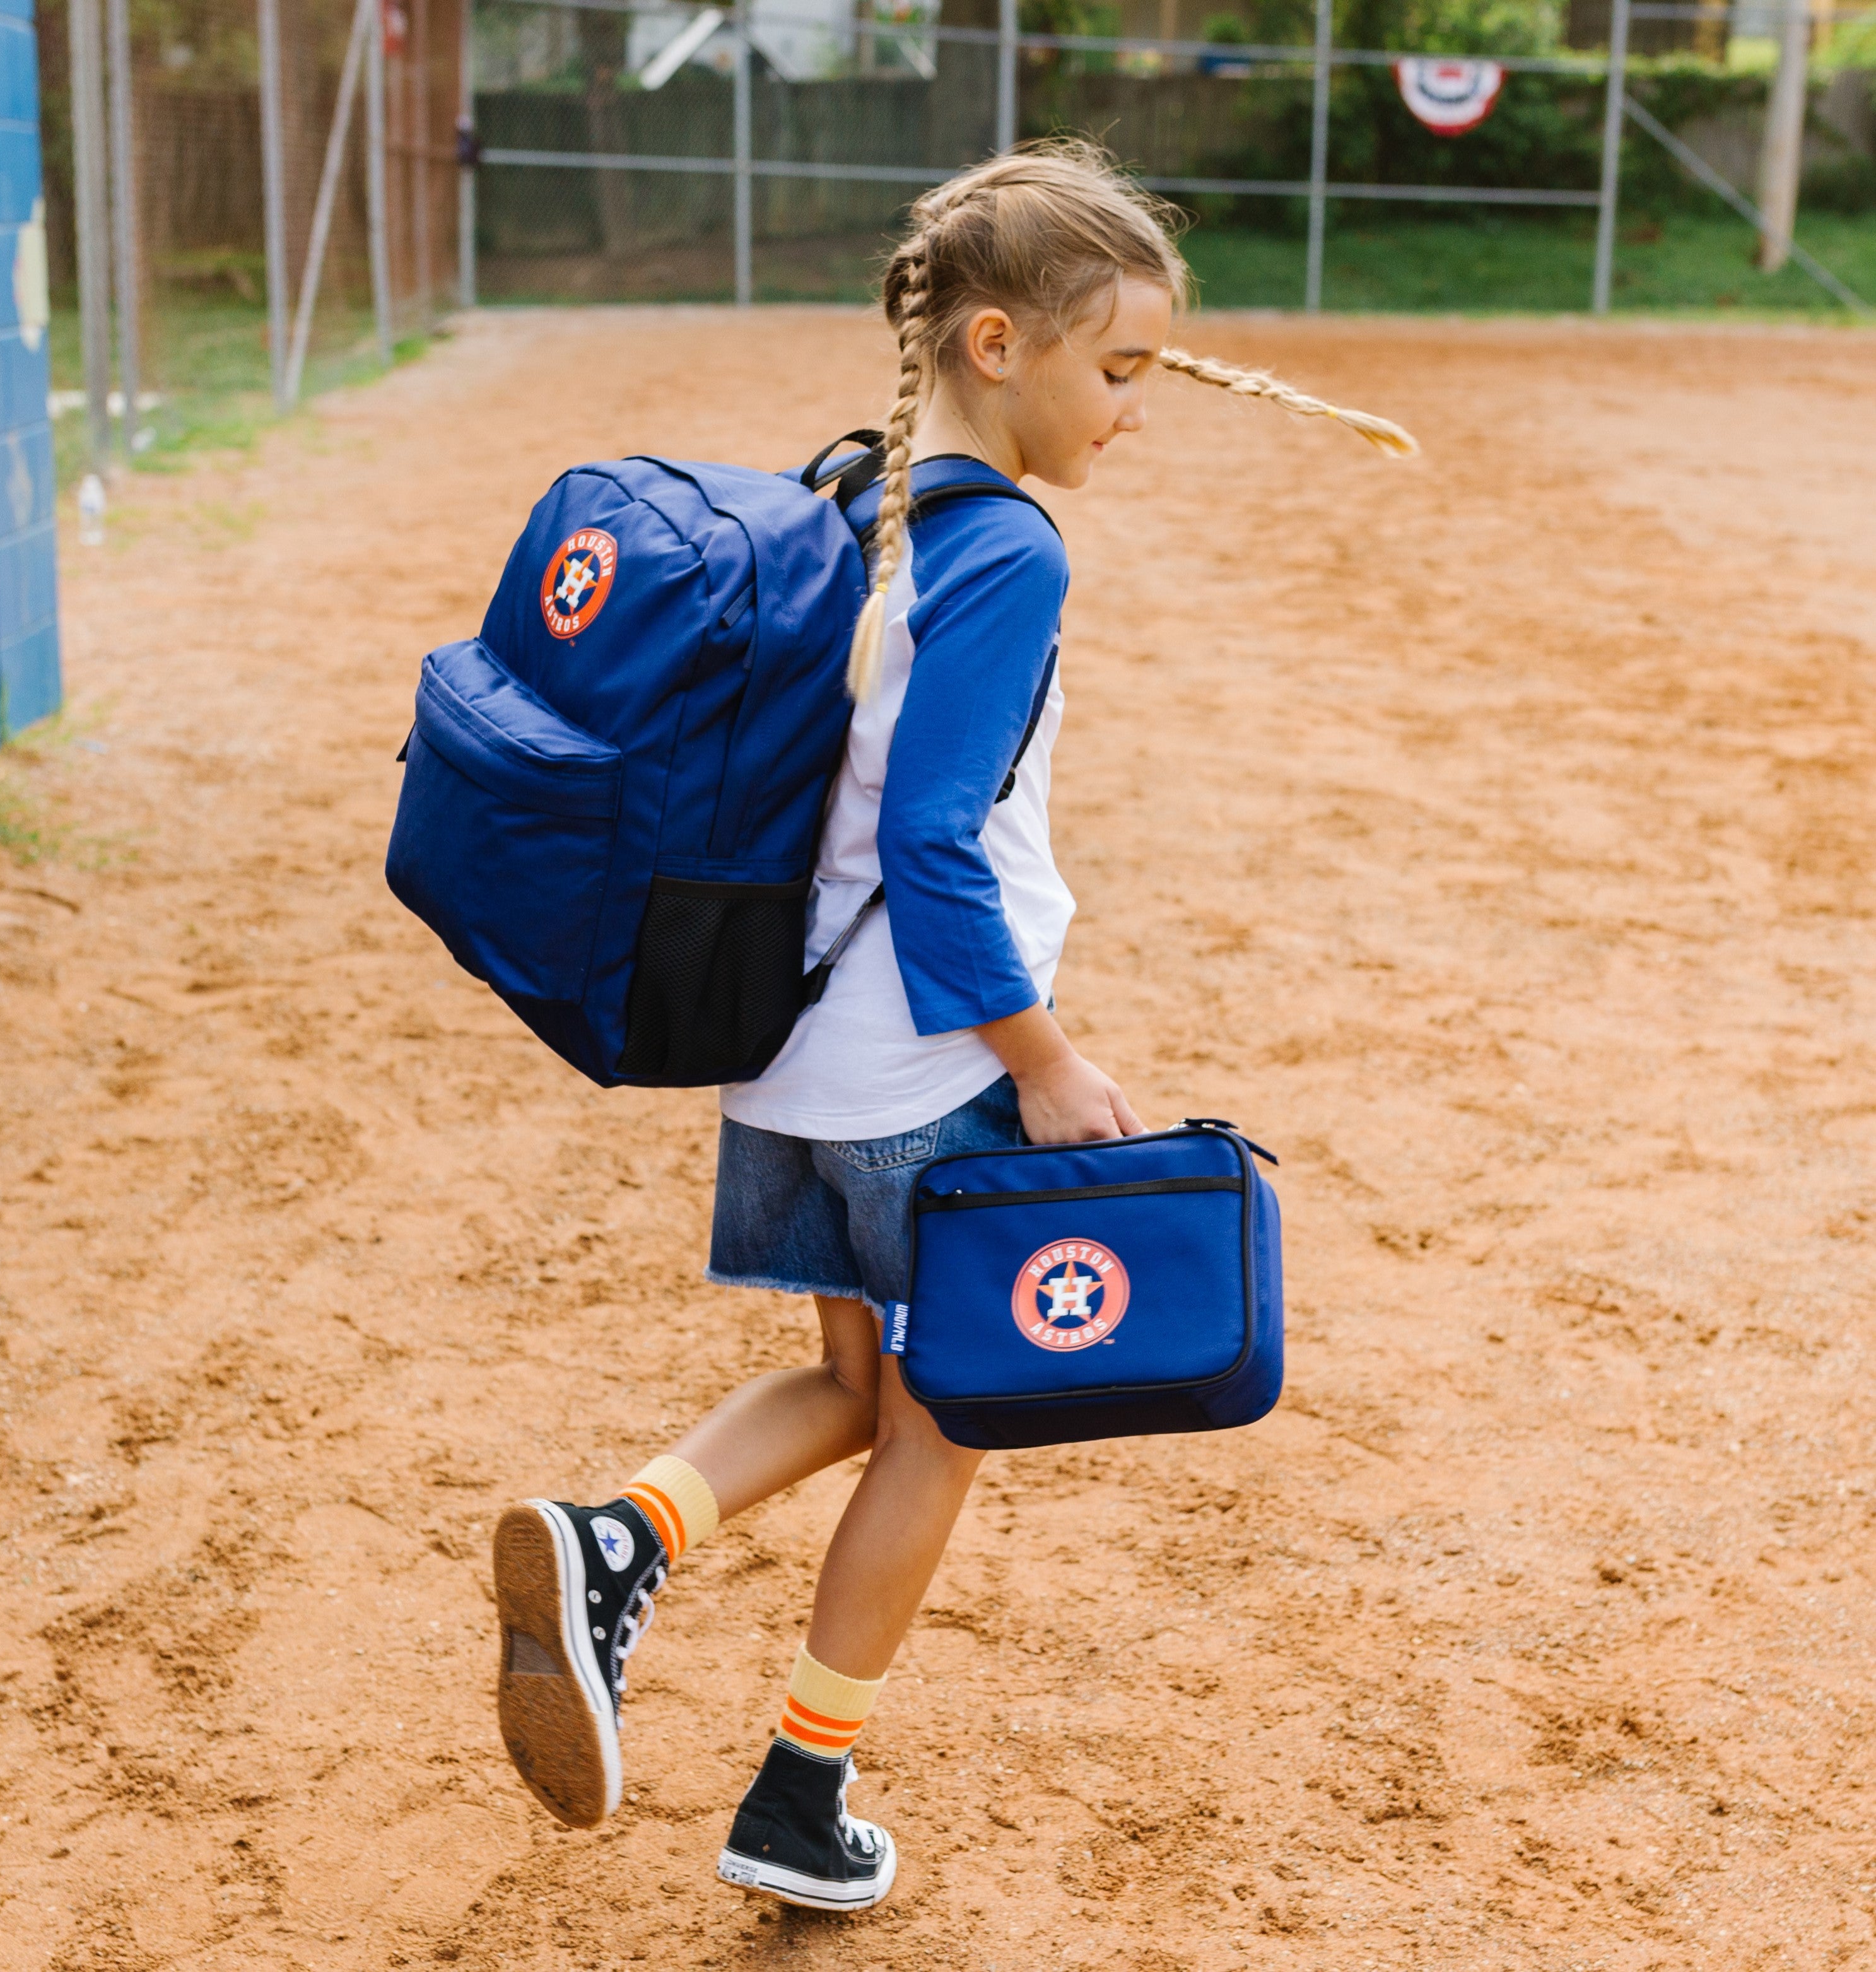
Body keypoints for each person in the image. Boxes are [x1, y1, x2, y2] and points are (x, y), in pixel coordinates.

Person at [490, 140, 1412, 1914]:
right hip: (924, 1067)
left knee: (858, 1389)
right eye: (1117, 368)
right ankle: (795, 1789)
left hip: (789, 1049)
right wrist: (1042, 1062)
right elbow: (933, 841)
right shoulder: (1012, 555)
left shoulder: (865, 500)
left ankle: (623, 1538)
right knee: (942, 1425)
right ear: (1000, 345)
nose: (1134, 409)